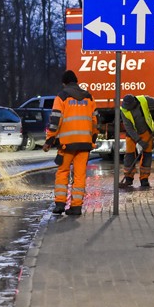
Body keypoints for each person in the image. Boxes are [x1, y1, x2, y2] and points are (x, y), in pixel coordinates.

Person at [42, 70, 98, 215]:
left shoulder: (61, 97)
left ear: (64, 83)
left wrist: (49, 140)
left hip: (66, 144)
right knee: (80, 175)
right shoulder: (89, 97)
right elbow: (95, 121)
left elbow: (55, 120)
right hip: (84, 144)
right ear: (76, 81)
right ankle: (76, 207)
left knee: (62, 172)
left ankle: (60, 205)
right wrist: (92, 140)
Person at [119, 94, 154, 190]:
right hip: (132, 134)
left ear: (133, 103)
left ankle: (144, 179)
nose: (127, 109)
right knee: (129, 155)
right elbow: (129, 128)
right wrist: (139, 141)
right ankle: (128, 178)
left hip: (145, 131)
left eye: (129, 107)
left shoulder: (143, 100)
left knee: (147, 154)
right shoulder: (124, 110)